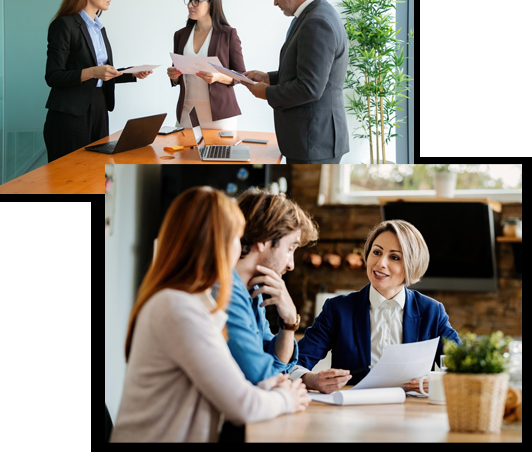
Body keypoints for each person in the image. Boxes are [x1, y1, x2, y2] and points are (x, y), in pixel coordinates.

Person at [110, 186, 310, 443]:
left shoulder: (185, 301)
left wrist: (277, 386)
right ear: (218, 242)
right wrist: (287, 397)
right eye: (237, 239)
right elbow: (243, 403)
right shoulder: (178, 309)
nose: (241, 249)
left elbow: (245, 381)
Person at [289, 220, 461, 394]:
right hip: (353, 413)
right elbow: (294, 362)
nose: (380, 263)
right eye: (377, 252)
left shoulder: (431, 311)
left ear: (412, 264)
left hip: (413, 414)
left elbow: (466, 365)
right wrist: (313, 380)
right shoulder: (337, 309)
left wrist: (437, 382)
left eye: (394, 257)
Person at [241, 0, 349, 164]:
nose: (274, 1)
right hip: (313, 141)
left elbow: (309, 87)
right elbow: (307, 73)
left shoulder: (317, 21)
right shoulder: (314, 15)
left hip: (314, 142)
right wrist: (269, 78)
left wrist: (267, 93)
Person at [43, 0, 152, 162]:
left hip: (100, 106)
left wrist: (130, 73)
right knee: (71, 175)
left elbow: (103, 72)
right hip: (71, 113)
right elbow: (53, 76)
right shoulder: (64, 25)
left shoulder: (99, 28)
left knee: (97, 169)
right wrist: (93, 72)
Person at [219, 188, 319, 385]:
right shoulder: (225, 291)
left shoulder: (253, 293)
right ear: (264, 240)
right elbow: (260, 377)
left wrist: (289, 321)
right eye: (290, 248)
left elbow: (277, 368)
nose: (291, 264)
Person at [167, 0, 245, 130]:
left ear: (211, 3)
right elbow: (177, 73)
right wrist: (174, 75)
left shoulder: (228, 34)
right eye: (189, 0)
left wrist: (219, 77)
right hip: (187, 113)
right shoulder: (180, 35)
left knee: (218, 153)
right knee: (184, 153)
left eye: (196, 1)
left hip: (220, 115)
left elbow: (241, 74)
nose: (190, 5)